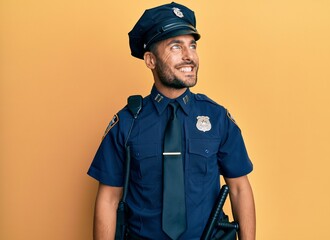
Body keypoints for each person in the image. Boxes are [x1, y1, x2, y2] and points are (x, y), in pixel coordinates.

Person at [88, 2, 256, 240]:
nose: (189, 56)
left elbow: (239, 188)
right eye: (176, 47)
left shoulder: (218, 118)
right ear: (150, 60)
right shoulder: (127, 122)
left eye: (192, 45)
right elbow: (108, 199)